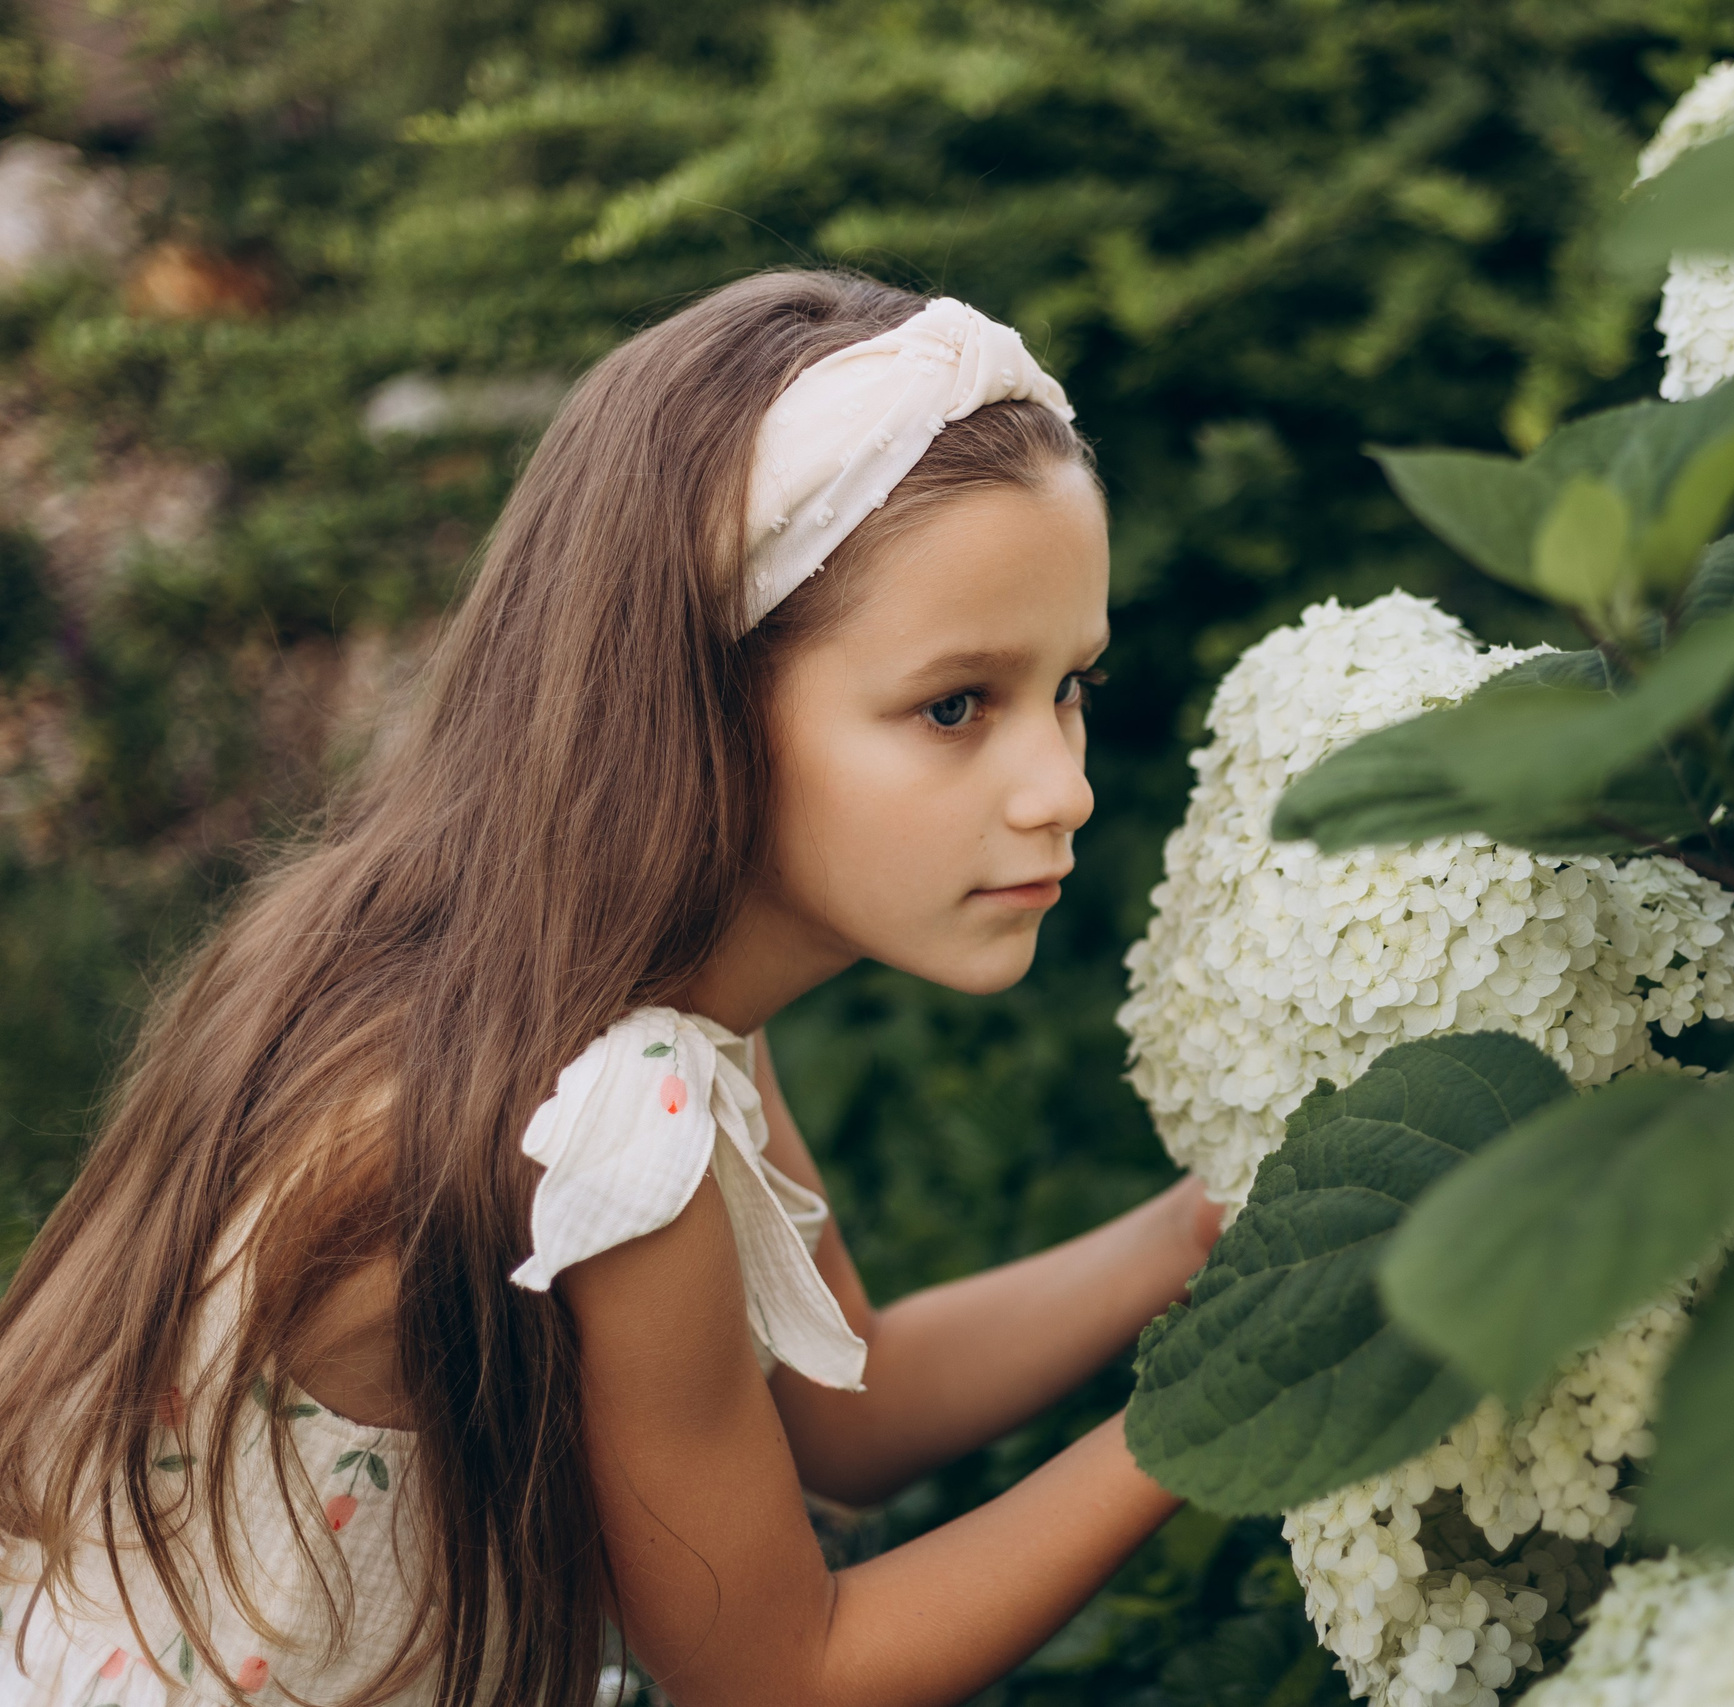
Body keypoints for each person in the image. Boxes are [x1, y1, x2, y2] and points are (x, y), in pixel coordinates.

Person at [0, 272, 1226, 1707]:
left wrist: (1209, 1228)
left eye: (1070, 684)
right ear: (701, 700)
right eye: (955, 705)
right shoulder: (606, 1120)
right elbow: (784, 1679)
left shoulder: (590, 1005)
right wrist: (1232, 1409)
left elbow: (848, 1407)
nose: (1060, 787)